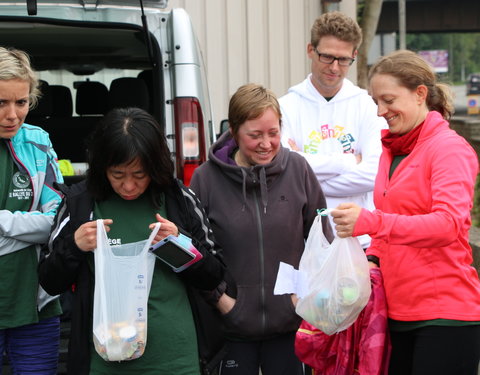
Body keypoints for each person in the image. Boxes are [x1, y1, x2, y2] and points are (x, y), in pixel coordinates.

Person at [38, 107, 235, 375]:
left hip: (176, 359)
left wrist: (181, 243)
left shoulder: (178, 200)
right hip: (104, 360)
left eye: (139, 175)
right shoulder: (80, 203)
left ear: (155, 167)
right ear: (101, 168)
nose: (129, 186)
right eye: (117, 175)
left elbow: (214, 276)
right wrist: (74, 245)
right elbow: (49, 280)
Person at [331, 50, 480, 375]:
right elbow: (390, 228)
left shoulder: (448, 149)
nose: (381, 111)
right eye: (376, 101)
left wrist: (371, 222)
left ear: (420, 94)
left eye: (388, 100)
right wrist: (369, 262)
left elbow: (447, 225)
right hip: (397, 311)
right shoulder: (393, 148)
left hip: (444, 315)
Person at [190, 83, 333, 375]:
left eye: (273, 133)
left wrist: (301, 296)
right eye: (254, 135)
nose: (266, 143)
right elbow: (195, 251)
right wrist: (222, 300)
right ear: (233, 130)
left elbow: (323, 239)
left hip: (289, 326)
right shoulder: (206, 178)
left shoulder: (299, 170)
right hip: (230, 329)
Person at [279, 11, 386, 249]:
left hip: (360, 240)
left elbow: (375, 174)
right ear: (310, 50)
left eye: (343, 59)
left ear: (354, 56)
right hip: (306, 240)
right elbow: (283, 170)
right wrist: (349, 162)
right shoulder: (285, 107)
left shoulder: (367, 106)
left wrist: (306, 176)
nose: (335, 67)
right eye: (327, 57)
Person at [0, 47, 63, 374]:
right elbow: (41, 226)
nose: (12, 115)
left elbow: (58, 222)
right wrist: (28, 233)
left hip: (36, 303)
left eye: (21, 102)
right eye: (1, 103)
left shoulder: (37, 140)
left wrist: (3, 221)